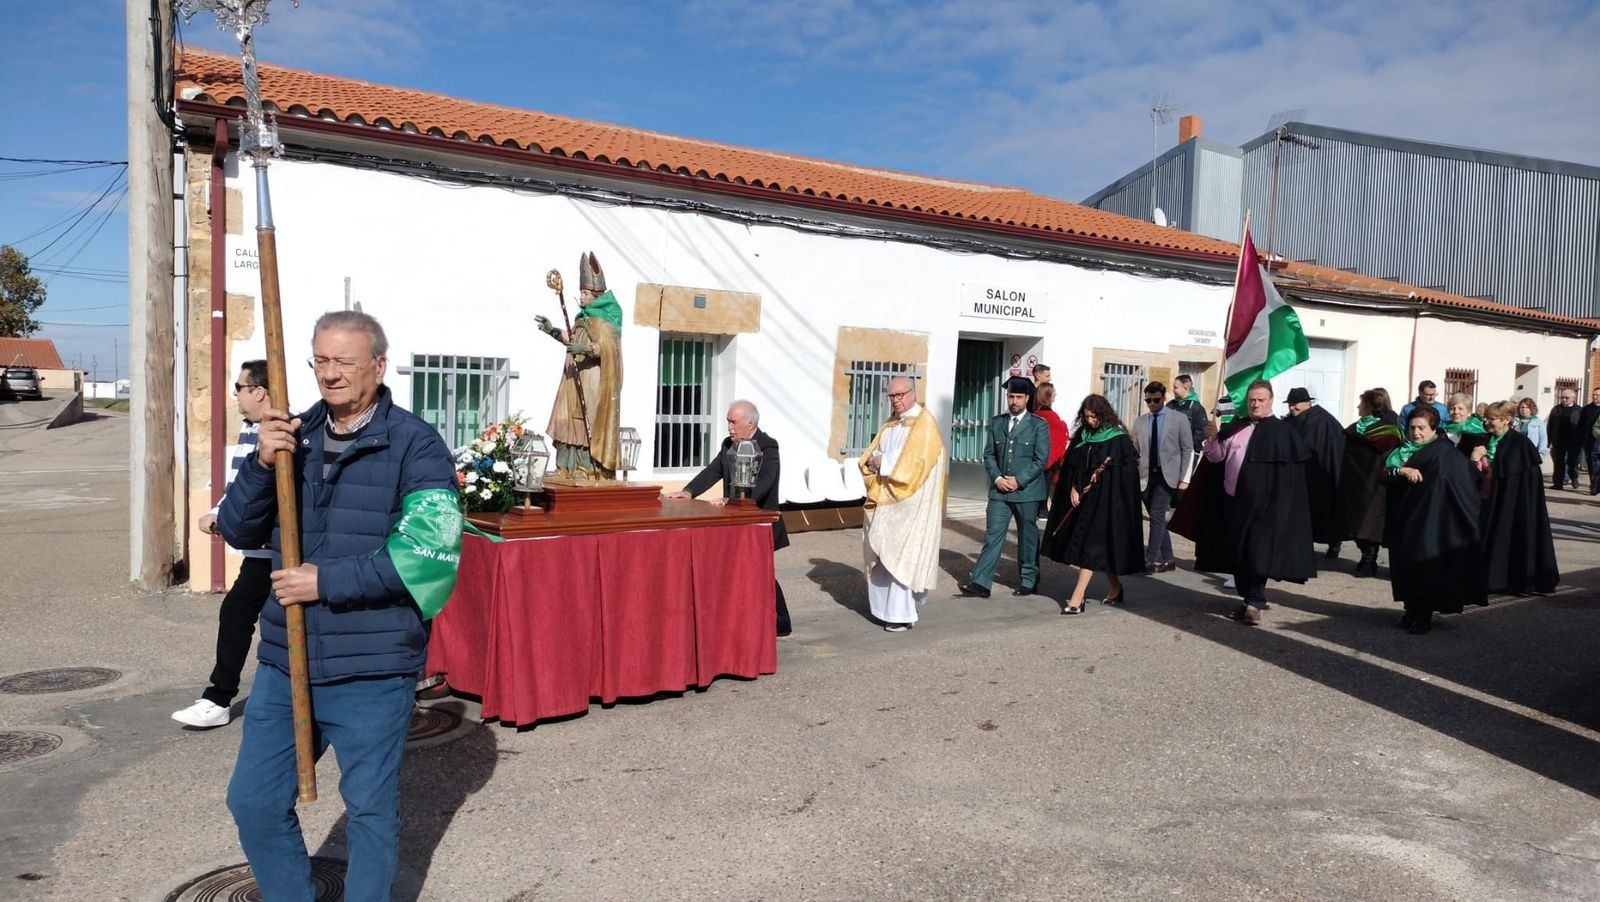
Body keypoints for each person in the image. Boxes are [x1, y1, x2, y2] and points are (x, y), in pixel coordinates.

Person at [219, 311, 462, 899]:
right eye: (320, 360)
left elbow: (430, 556)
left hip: (373, 667)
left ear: (377, 366)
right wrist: (259, 464)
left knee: (370, 814)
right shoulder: (291, 436)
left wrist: (325, 582)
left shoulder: (416, 445)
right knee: (252, 800)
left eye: (344, 362)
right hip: (285, 661)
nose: (330, 375)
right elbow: (234, 528)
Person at [172, 360, 275, 729]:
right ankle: (218, 700)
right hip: (260, 552)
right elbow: (240, 487)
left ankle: (221, 698)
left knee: (264, 619)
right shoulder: (250, 432)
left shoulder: (280, 432)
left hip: (279, 550)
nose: (236, 394)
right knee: (237, 614)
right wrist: (218, 511)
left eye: (240, 386)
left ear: (259, 391)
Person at [665, 400, 792, 636]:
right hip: (734, 521)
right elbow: (713, 471)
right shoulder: (728, 445)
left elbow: (764, 483)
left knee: (761, 574)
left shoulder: (768, 446)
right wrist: (689, 491)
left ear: (750, 423)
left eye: (733, 422)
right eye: (727, 422)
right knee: (739, 573)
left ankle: (781, 621)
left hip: (761, 522)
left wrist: (736, 500)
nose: (729, 427)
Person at [1194, 380, 1316, 625]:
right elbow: (1217, 458)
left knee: (1257, 554)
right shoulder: (1235, 428)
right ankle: (1247, 598)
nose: (1256, 404)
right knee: (1237, 554)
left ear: (1270, 401)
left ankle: (1255, 603)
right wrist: (1212, 440)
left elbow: (1291, 477)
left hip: (1266, 507)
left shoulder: (1283, 433)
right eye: (1252, 400)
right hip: (1234, 503)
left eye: (1261, 400)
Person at [1381, 405, 1487, 635]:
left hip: (1432, 520)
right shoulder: (1402, 449)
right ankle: (1410, 608)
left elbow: (1466, 481)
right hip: (1405, 518)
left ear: (1434, 429)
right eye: (1412, 428)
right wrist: (1401, 472)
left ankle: (1423, 614)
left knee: (1425, 566)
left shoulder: (1444, 453)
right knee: (1404, 565)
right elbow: (1382, 473)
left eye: (1422, 428)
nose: (1416, 433)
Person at [858, 376, 946, 631]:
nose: (895, 400)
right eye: (891, 396)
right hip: (886, 499)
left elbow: (914, 466)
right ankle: (884, 610)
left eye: (900, 395)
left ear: (912, 393)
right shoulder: (890, 424)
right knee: (883, 555)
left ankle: (901, 614)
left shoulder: (924, 423)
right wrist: (876, 462)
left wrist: (882, 461)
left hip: (911, 505)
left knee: (902, 558)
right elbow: (869, 456)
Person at [1044, 394, 1143, 613]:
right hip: (1082, 500)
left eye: (1094, 417)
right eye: (1086, 417)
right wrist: (1073, 486)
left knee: (1089, 547)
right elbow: (1073, 465)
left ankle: (1076, 599)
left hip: (1105, 502)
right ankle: (1115, 588)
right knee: (1096, 548)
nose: (1090, 421)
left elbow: (1124, 477)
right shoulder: (1084, 435)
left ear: (1103, 414)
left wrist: (1102, 486)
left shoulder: (1118, 438)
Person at [535, 251, 623, 478]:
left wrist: (584, 349)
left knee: (586, 422)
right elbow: (570, 339)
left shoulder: (605, 321)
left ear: (596, 295)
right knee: (566, 418)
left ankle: (586, 467)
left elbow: (607, 350)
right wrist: (551, 329)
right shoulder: (582, 319)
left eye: (585, 293)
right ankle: (565, 466)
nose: (581, 297)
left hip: (593, 381)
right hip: (574, 379)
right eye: (581, 293)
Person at [960, 378, 1050, 598]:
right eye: (1011, 397)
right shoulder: (997, 422)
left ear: (1027, 398)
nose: (1014, 401)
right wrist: (998, 478)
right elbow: (989, 454)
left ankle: (1028, 580)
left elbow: (1041, 460)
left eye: (1019, 397)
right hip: (999, 491)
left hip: (1026, 491)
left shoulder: (1038, 425)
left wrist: (1018, 481)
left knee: (1027, 537)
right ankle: (981, 583)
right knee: (993, 536)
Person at [1475, 400, 1559, 595]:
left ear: (1507, 420)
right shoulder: (1485, 439)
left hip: (1514, 502)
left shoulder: (1520, 444)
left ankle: (1514, 580)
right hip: (1491, 499)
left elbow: (1517, 475)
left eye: (1492, 419)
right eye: (1486, 418)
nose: (1488, 422)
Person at [1336, 387, 1403, 578]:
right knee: (1355, 521)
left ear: (1370, 406)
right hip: (1355, 481)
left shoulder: (1388, 429)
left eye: (1362, 404)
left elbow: (1388, 453)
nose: (1358, 406)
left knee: (1370, 522)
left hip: (1375, 482)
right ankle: (1365, 556)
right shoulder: (1358, 426)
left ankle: (1369, 559)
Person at [1132, 381, 1192, 573]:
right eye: (1148, 400)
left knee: (1157, 515)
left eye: (1156, 400)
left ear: (1164, 398)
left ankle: (1149, 559)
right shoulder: (1140, 421)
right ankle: (1169, 560)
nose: (1152, 404)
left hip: (1168, 476)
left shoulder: (1179, 419)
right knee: (1157, 518)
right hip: (1145, 476)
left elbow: (1187, 449)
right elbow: (1135, 450)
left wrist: (1185, 478)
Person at [1284, 387, 1346, 559]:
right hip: (1301, 475)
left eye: (1296, 405)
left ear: (1308, 403)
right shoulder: (1293, 420)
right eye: (1290, 404)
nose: (1292, 408)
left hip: (1321, 474)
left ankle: (1334, 543)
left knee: (1324, 511)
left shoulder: (1320, 420)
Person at [1034, 382, 1070, 505]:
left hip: (1037, 457)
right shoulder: (1051, 416)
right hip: (1050, 460)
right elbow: (1057, 437)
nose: (1056, 394)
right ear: (1048, 395)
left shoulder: (1035, 414)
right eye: (1053, 392)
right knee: (1046, 485)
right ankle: (1043, 509)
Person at [1547, 387, 1583, 491]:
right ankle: (1558, 483)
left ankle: (1574, 477)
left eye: (1566, 398)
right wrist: (1549, 441)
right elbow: (1550, 426)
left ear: (1573, 398)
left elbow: (1582, 427)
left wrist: (1582, 440)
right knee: (1558, 462)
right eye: (1562, 397)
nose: (1564, 399)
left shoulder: (1579, 410)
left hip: (1573, 441)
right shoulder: (1556, 409)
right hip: (1559, 439)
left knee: (1572, 462)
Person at [1441, 392, 1489, 461]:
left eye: (1460, 409)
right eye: (1452, 409)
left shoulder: (1478, 432)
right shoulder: (1442, 430)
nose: (1456, 412)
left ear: (1469, 411)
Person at [1168, 374, 1209, 451]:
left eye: (1175, 387)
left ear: (1185, 389)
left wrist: (1187, 445)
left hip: (1189, 451)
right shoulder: (1171, 405)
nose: (1173, 390)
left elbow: (1202, 431)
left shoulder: (1196, 407)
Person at [1513, 397, 1547, 464]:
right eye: (1522, 407)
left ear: (1532, 409)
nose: (1524, 410)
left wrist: (1541, 453)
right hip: (1516, 451)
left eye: (1527, 407)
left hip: (1531, 452)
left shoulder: (1538, 421)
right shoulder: (1515, 421)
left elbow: (1543, 438)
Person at [1582, 388, 1600, 495]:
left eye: (1597, 395)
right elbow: (1581, 425)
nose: (1594, 397)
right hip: (1589, 441)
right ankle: (1593, 485)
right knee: (1592, 465)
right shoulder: (1587, 409)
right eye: (1594, 395)